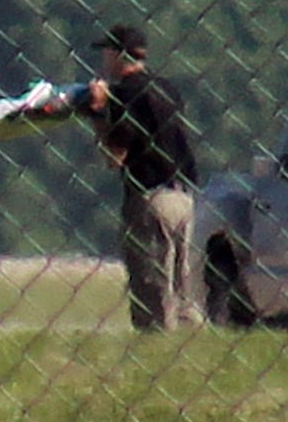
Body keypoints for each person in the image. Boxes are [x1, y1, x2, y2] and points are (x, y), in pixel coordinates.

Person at [86, 23, 202, 330]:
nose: (104, 60)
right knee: (181, 285)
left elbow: (116, 155)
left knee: (152, 285)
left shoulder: (125, 94)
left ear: (117, 55)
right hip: (183, 197)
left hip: (150, 199)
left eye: (107, 53)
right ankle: (191, 341)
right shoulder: (166, 89)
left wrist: (99, 109)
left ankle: (159, 346)